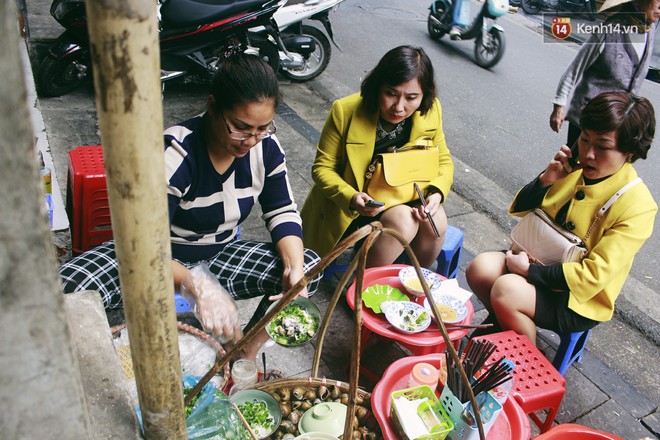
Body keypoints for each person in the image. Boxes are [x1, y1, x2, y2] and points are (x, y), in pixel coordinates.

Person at [59, 53, 322, 361]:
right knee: (64, 292)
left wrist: (293, 270)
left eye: (263, 128)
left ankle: (242, 353)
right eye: (240, 127)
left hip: (217, 255)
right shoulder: (174, 155)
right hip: (152, 259)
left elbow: (282, 211)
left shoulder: (265, 149)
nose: (250, 140)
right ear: (213, 107)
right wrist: (195, 284)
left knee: (309, 269)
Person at [467, 91, 657, 344]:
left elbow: (593, 275)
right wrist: (546, 180)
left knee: (506, 290)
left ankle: (526, 359)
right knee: (480, 268)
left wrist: (530, 272)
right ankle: (504, 324)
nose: (588, 153)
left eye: (603, 147)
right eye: (585, 139)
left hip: (576, 297)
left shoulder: (638, 205)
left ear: (630, 152)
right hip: (535, 260)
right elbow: (520, 209)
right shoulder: (571, 167)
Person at [301, 45, 454, 268]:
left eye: (411, 97)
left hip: (406, 194)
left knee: (436, 222)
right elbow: (322, 168)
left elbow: (444, 161)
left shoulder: (430, 111)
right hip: (355, 205)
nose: (399, 107)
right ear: (377, 86)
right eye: (391, 93)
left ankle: (413, 281)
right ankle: (362, 285)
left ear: (425, 94)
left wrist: (437, 193)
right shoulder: (345, 111)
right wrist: (352, 197)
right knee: (403, 221)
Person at [550, 0, 660, 149]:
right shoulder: (609, 29)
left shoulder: (650, 30)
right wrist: (559, 107)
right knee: (573, 163)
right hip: (589, 115)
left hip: (616, 119)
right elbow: (575, 69)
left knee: (600, 168)